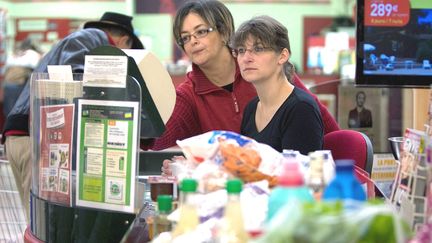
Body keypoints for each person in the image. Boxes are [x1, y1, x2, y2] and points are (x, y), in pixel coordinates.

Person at [2, 11, 144, 223]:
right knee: (42, 223)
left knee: (40, 221)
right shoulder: (91, 36)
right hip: (35, 137)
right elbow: (73, 75)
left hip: (31, 134)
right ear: (125, 40)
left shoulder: (83, 39)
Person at [148, 0, 338, 153]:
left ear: (223, 32)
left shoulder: (263, 71)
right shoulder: (190, 94)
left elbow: (323, 123)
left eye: (201, 31)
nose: (193, 41)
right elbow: (157, 135)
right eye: (185, 37)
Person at [232, 15, 323, 154]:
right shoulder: (251, 108)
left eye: (258, 49)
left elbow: (299, 174)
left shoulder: (301, 109)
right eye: (241, 50)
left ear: (282, 56)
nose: (246, 58)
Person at [1, 38, 42, 116]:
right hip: (21, 86)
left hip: (8, 85)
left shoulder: (14, 53)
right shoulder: (33, 54)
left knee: (9, 111)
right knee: (20, 111)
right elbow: (38, 70)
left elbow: (4, 71)